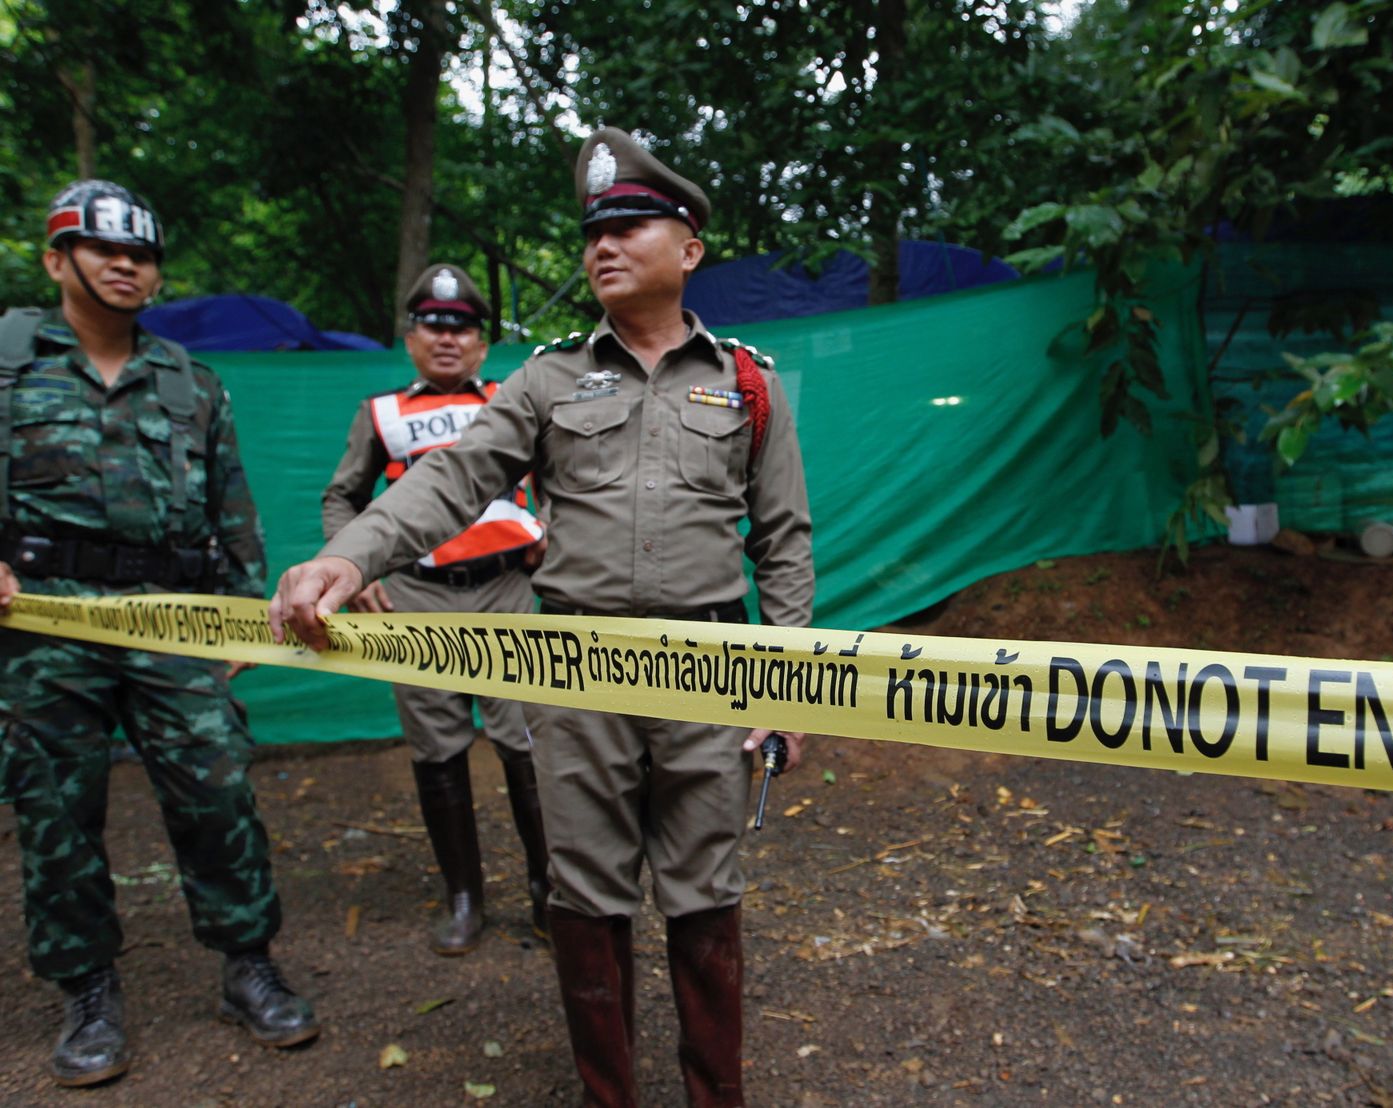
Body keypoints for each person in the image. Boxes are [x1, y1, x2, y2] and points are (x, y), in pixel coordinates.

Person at [269, 127, 813, 1106]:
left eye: (629, 224)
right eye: (591, 230)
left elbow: (783, 542)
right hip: (574, 671)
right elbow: (454, 481)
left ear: (688, 249)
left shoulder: (746, 381)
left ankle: (713, 1094)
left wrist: (782, 686)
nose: (602, 244)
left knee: (706, 896)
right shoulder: (548, 379)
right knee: (585, 896)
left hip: (707, 668)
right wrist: (347, 557)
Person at [0, 180, 318, 1088]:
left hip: (170, 621)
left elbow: (232, 510)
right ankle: (88, 990)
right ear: (59, 260)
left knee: (216, 786)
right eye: (104, 251)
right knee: (57, 807)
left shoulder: (190, 382)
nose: (127, 266)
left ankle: (247, 964)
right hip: (44, 622)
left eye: (141, 255)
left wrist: (243, 611)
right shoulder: (9, 359)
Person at [322, 262, 549, 955]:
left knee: (529, 741)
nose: (448, 337)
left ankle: (549, 891)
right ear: (411, 335)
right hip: (418, 597)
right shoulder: (380, 413)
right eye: (433, 324)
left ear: (482, 342)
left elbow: (566, 480)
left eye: (463, 327)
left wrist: (555, 535)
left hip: (509, 590)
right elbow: (342, 497)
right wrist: (352, 563)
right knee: (438, 748)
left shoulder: (513, 401)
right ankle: (463, 897)